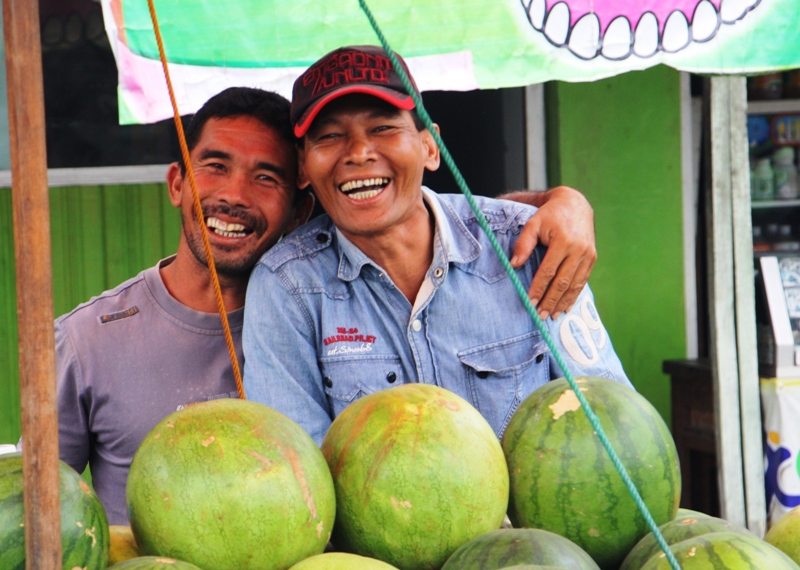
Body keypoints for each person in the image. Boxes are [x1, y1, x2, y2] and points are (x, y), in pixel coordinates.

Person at [55, 86, 600, 524]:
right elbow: (32, 508)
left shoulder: (341, 299)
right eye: (215, 166)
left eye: (266, 176)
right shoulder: (89, 339)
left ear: (300, 207)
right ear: (177, 182)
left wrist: (556, 205)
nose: (235, 195)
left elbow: (605, 423)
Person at [242, 46, 630, 445]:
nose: (358, 153)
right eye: (330, 136)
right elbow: (302, 468)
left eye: (383, 128)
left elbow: (609, 422)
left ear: (430, 147)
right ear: (304, 167)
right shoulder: (287, 288)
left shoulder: (529, 246)